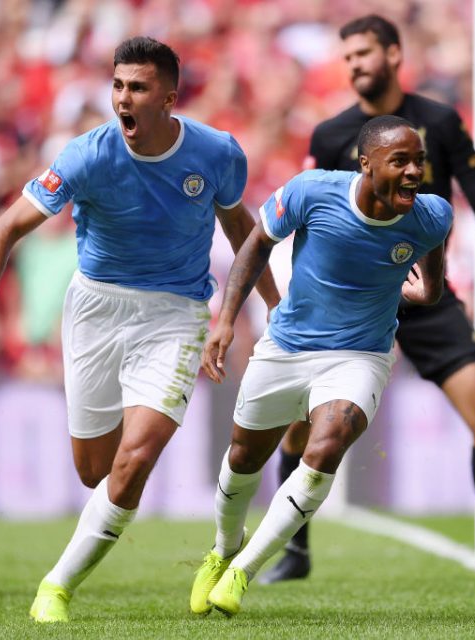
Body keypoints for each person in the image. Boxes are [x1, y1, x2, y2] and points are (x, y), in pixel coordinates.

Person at [0, 36, 279, 623]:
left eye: (137, 87)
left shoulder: (217, 153)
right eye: (117, 85)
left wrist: (272, 305)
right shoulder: (86, 156)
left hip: (177, 313)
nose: (123, 98)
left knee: (134, 460)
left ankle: (56, 586)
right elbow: (4, 228)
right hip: (96, 309)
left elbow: (242, 228)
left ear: (169, 98)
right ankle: (112, 504)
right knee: (95, 470)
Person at [259, 14, 475, 585]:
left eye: (364, 53)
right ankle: (294, 553)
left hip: (424, 289)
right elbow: (306, 223)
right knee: (298, 427)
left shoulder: (438, 122)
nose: (355, 66)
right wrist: (299, 299)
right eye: (347, 58)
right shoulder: (329, 136)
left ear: (394, 54)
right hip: (346, 301)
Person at [189, 115, 452, 617]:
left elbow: (432, 284)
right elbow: (257, 243)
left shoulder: (432, 216)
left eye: (418, 160)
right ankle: (223, 549)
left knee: (327, 443)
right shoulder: (312, 192)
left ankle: (244, 570)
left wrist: (424, 293)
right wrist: (225, 320)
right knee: (244, 459)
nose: (414, 171)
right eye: (400, 161)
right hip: (287, 346)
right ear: (367, 162)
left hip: (362, 355)